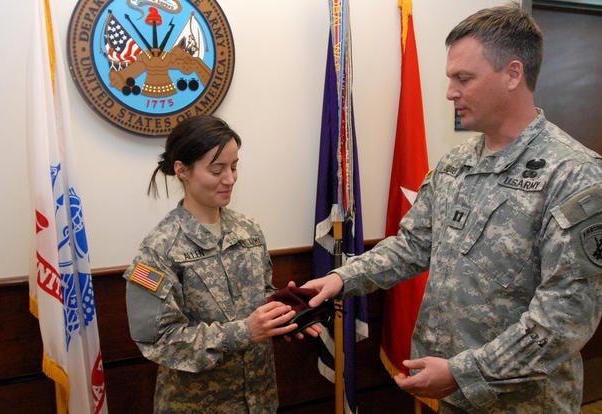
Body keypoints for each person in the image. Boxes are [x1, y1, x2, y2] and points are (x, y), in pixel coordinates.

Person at [300, 4, 602, 413]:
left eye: (464, 78)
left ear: (513, 74)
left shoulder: (574, 175)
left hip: (525, 403)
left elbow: (564, 319)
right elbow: (411, 246)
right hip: (452, 396)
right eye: (450, 78)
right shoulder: (455, 164)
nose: (450, 92)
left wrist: (465, 372)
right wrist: (341, 278)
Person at [123, 115, 298, 413]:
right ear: (182, 170)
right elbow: (159, 341)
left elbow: (260, 296)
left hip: (259, 400)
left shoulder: (249, 231)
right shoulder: (159, 249)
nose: (230, 179)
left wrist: (286, 311)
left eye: (234, 166)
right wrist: (244, 332)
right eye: (217, 170)